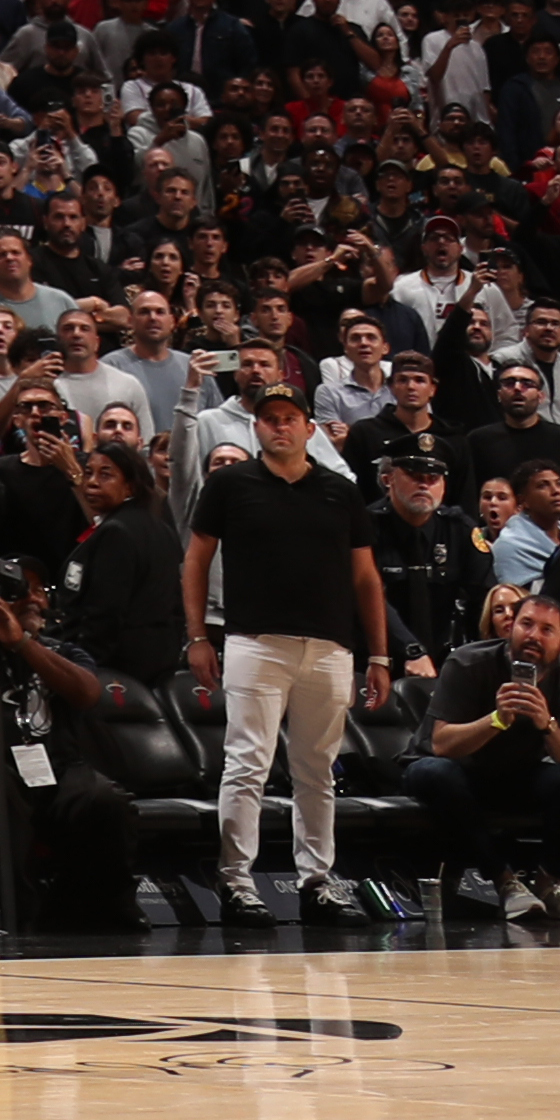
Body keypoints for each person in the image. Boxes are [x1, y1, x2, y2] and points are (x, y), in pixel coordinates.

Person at [186, 368, 396, 921]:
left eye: (290, 420)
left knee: (317, 769)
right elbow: (195, 561)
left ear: (309, 428)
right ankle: (236, 881)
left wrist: (378, 654)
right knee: (247, 763)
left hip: (330, 647)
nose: (280, 428)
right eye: (270, 420)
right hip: (254, 641)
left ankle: (318, 882)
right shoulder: (229, 485)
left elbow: (367, 579)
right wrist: (197, 637)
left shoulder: (340, 490)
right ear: (257, 427)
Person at [402, 579, 560, 919]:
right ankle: (505, 881)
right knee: (438, 774)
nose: (534, 635)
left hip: (513, 774)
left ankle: (550, 884)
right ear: (510, 630)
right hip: (448, 769)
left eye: (547, 630)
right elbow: (441, 744)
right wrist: (497, 720)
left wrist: (546, 723)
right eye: (527, 624)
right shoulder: (467, 663)